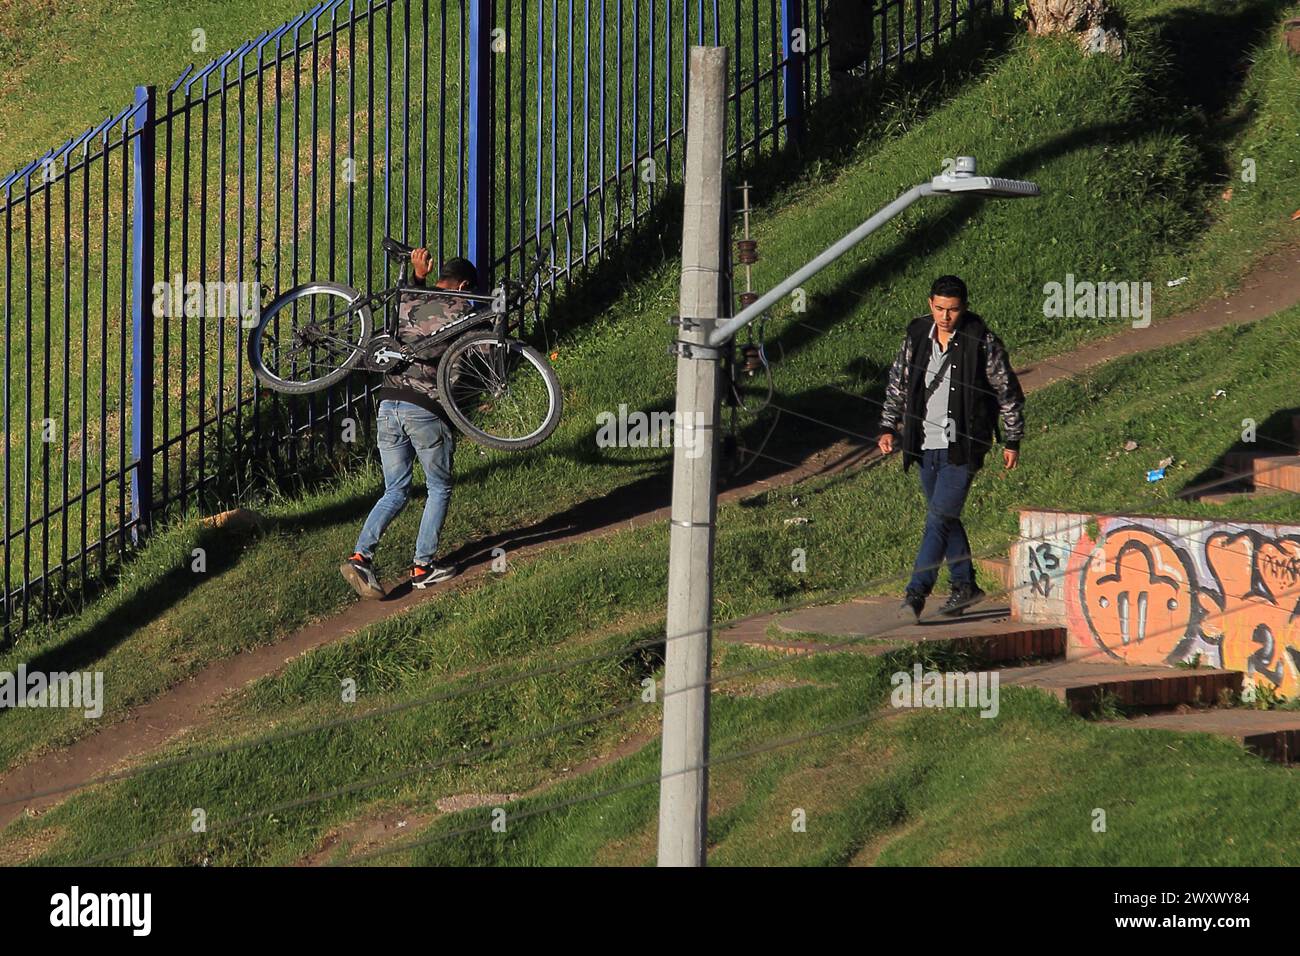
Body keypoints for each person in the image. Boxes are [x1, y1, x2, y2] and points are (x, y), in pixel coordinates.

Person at [877, 275, 1025, 622]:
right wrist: (887, 426)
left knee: (938, 518)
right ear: (930, 304)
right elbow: (898, 383)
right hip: (925, 444)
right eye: (940, 308)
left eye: (953, 310)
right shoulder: (916, 335)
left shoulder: (981, 341)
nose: (946, 316)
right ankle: (965, 586)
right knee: (945, 518)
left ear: (964, 308)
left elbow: (1007, 392)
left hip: (964, 445)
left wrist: (1012, 438)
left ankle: (915, 595)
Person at [339, 251, 478, 598]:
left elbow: (410, 301)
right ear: (463, 287)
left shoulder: (411, 301)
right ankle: (422, 567)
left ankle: (361, 556)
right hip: (425, 409)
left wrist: (417, 275)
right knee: (439, 487)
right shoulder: (463, 312)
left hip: (388, 405)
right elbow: (484, 355)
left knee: (395, 490)